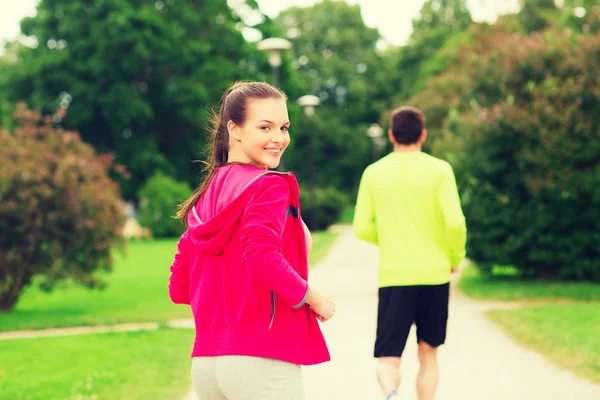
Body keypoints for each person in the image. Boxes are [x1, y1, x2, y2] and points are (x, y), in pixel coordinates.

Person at [169, 81, 335, 400]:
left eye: (284, 127)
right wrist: (313, 297)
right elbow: (261, 257)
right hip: (261, 361)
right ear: (235, 129)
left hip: (207, 365)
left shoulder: (205, 195)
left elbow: (179, 287)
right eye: (265, 127)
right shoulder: (269, 186)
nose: (279, 138)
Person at [353, 106, 466, 400]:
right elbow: (455, 222)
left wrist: (390, 238)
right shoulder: (441, 170)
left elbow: (361, 227)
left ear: (391, 135)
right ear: (423, 135)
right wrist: (454, 257)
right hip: (435, 274)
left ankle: (391, 394)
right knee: (428, 354)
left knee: (388, 356)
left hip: (394, 277)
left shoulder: (373, 173)